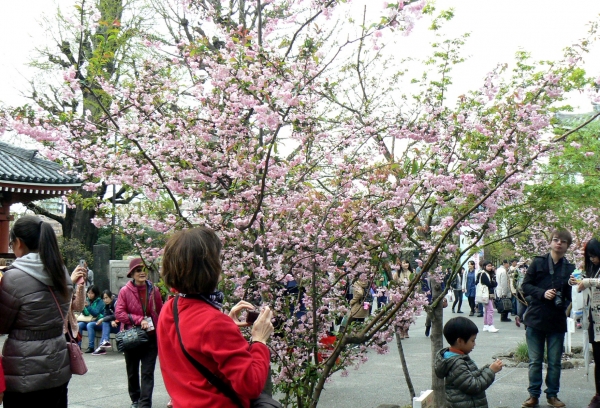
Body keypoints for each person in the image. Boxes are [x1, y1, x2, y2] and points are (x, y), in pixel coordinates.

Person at [157, 227, 275, 408]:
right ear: (210, 267)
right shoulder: (213, 323)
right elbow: (250, 385)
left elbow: (195, 344)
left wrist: (226, 326)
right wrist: (259, 341)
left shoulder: (169, 307)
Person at [0, 215, 72, 407]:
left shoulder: (13, 277)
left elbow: (2, 325)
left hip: (24, 371)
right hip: (58, 365)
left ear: (19, 243)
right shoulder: (61, 271)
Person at [521, 229, 574, 408]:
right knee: (535, 361)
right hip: (535, 317)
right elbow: (525, 285)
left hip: (557, 320)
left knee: (554, 362)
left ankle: (552, 395)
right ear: (550, 242)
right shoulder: (538, 262)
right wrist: (542, 293)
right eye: (556, 240)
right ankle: (533, 395)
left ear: (567, 246)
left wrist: (574, 292)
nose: (559, 243)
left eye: (563, 241)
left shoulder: (570, 268)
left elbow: (571, 295)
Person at [116, 258, 163, 408]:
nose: (142, 272)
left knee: (148, 372)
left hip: (151, 336)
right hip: (132, 337)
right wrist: (139, 319)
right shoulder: (125, 291)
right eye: (138, 270)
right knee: (132, 371)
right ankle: (135, 399)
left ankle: (144, 404)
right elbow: (119, 314)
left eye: (143, 269)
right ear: (132, 274)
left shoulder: (154, 289)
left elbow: (160, 311)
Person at [434, 317, 503, 408]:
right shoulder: (456, 364)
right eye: (472, 340)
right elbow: (474, 386)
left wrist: (488, 368)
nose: (474, 344)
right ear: (460, 341)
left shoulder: (457, 358)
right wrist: (491, 371)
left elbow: (471, 376)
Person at [572, 238, 600, 408]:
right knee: (598, 359)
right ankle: (598, 395)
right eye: (589, 256)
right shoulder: (593, 270)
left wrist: (587, 282)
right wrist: (577, 282)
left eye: (594, 255)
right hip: (594, 322)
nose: (592, 259)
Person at [92, 289, 120, 355]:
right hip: (114, 326)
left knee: (104, 321)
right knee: (105, 323)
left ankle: (102, 346)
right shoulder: (106, 306)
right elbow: (106, 315)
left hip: (122, 326)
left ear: (111, 297)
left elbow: (117, 315)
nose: (105, 300)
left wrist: (105, 319)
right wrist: (111, 321)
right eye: (103, 298)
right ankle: (105, 342)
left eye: (106, 298)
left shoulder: (117, 303)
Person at [78, 285, 104, 353]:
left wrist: (88, 306)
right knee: (79, 325)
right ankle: (78, 346)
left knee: (90, 325)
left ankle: (91, 347)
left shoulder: (100, 302)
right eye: (88, 293)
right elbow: (86, 314)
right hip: (88, 320)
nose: (90, 295)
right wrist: (82, 308)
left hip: (99, 321)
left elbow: (96, 313)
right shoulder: (87, 300)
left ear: (95, 293)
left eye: (92, 293)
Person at [478, 262, 499, 333]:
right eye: (488, 266)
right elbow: (490, 284)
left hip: (488, 294)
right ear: (484, 266)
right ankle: (490, 325)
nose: (490, 267)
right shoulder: (484, 274)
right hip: (486, 294)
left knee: (487, 310)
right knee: (490, 310)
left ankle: (486, 325)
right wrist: (493, 283)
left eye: (491, 266)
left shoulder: (487, 273)